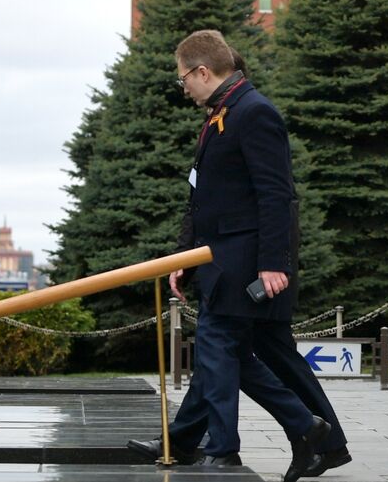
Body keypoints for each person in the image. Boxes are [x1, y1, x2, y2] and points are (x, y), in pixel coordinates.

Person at [129, 47, 350, 477]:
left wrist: (273, 263)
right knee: (231, 353)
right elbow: (202, 199)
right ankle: (307, 438)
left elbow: (275, 195)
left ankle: (242, 443)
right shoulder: (221, 114)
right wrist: (184, 257)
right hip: (223, 259)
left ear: (203, 71)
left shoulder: (253, 112)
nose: (183, 88)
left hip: (244, 262)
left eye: (183, 79)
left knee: (220, 349)